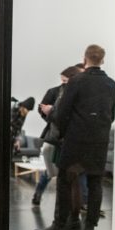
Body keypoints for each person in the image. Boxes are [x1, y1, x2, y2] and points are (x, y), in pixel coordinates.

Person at [35, 45, 115, 230]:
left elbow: (63, 112)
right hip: (99, 141)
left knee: (64, 181)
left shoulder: (76, 81)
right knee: (95, 183)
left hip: (75, 140)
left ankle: (60, 225)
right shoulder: (112, 84)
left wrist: (62, 130)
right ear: (103, 60)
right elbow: (112, 113)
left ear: (85, 59)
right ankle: (89, 229)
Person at [31, 66, 80, 207]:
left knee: (70, 173)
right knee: (50, 171)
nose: (63, 83)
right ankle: (38, 194)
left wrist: (52, 113)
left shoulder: (75, 92)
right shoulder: (54, 92)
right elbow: (43, 110)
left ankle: (76, 204)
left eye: (65, 80)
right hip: (55, 136)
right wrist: (51, 116)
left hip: (68, 137)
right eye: (62, 80)